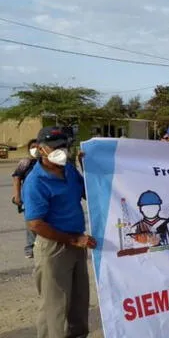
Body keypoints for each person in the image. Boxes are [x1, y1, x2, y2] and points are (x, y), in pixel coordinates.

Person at [23, 127, 97, 338]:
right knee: (54, 306)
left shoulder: (70, 171)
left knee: (79, 300)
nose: (61, 151)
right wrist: (73, 239)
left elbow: (89, 193)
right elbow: (35, 224)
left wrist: (88, 168)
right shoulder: (36, 181)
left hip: (76, 243)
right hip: (54, 246)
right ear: (39, 149)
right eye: (54, 147)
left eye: (64, 146)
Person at [11, 139, 39, 258]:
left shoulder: (46, 162)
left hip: (44, 198)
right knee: (31, 223)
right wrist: (17, 195)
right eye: (33, 147)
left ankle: (41, 246)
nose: (35, 149)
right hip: (28, 198)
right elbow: (17, 178)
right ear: (29, 149)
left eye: (38, 147)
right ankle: (30, 247)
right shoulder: (26, 162)